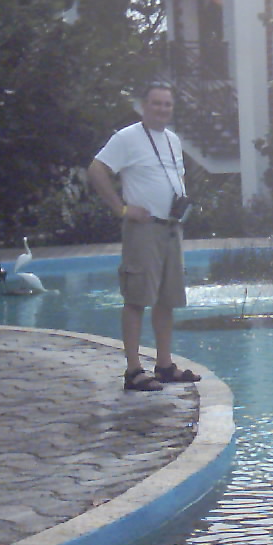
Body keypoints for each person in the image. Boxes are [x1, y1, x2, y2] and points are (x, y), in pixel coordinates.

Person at [86, 82, 202, 392]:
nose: (162, 109)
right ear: (144, 106)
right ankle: (133, 370)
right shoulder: (127, 138)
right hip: (144, 229)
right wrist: (121, 209)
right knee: (137, 298)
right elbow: (96, 170)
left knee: (167, 299)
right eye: (156, 103)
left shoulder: (172, 140)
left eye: (167, 104)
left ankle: (164, 365)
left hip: (171, 227)